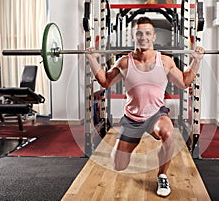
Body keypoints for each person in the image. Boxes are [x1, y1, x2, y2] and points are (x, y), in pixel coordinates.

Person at [86, 16, 204, 197]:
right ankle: (134, 140)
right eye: (139, 33)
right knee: (119, 164)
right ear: (134, 36)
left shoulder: (165, 61)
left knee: (168, 133)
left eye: (148, 33)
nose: (143, 37)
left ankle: (162, 175)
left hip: (156, 115)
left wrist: (196, 61)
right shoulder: (124, 62)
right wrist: (92, 59)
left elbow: (184, 83)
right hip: (132, 119)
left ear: (154, 37)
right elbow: (105, 82)